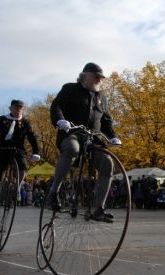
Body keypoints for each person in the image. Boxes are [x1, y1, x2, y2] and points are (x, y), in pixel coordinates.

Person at [48, 62, 121, 222]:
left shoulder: (101, 97)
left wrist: (113, 136)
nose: (99, 80)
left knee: (107, 163)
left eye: (101, 78)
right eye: (95, 76)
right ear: (84, 75)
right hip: (71, 134)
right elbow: (56, 106)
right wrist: (60, 121)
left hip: (93, 139)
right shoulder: (70, 89)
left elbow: (106, 121)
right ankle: (54, 191)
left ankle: (99, 209)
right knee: (72, 148)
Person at [0, 100, 41, 214]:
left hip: (18, 150)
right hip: (3, 149)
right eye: (16, 108)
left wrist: (36, 151)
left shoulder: (25, 122)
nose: (18, 110)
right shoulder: (2, 119)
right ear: (10, 108)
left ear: (22, 109)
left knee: (23, 166)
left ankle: (17, 189)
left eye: (20, 108)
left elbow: (32, 138)